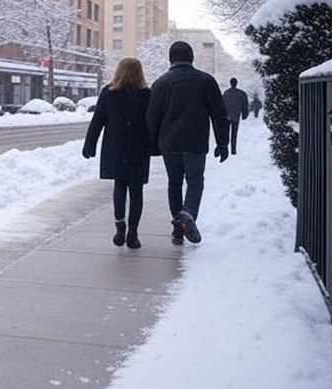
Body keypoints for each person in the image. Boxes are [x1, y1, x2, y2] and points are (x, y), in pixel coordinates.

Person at [146, 41, 229, 246]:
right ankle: (188, 213)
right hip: (195, 142)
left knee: (174, 183)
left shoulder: (161, 83)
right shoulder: (206, 81)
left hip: (170, 143)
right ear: (192, 57)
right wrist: (223, 142)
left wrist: (152, 145)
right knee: (195, 182)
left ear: (170, 58)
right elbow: (219, 115)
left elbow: (152, 118)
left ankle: (177, 229)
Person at [82, 57, 152, 249]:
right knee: (137, 191)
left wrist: (90, 145)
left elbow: (97, 121)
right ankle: (133, 233)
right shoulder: (147, 94)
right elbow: (153, 123)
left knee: (119, 186)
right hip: (139, 148)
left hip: (116, 147)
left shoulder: (109, 93)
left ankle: (120, 225)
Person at [222, 77, 249, 155]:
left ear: (230, 83)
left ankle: (225, 149)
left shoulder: (226, 93)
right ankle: (233, 150)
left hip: (227, 116)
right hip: (236, 116)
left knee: (226, 133)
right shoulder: (241, 93)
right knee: (234, 134)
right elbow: (245, 105)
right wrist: (244, 114)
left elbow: (222, 104)